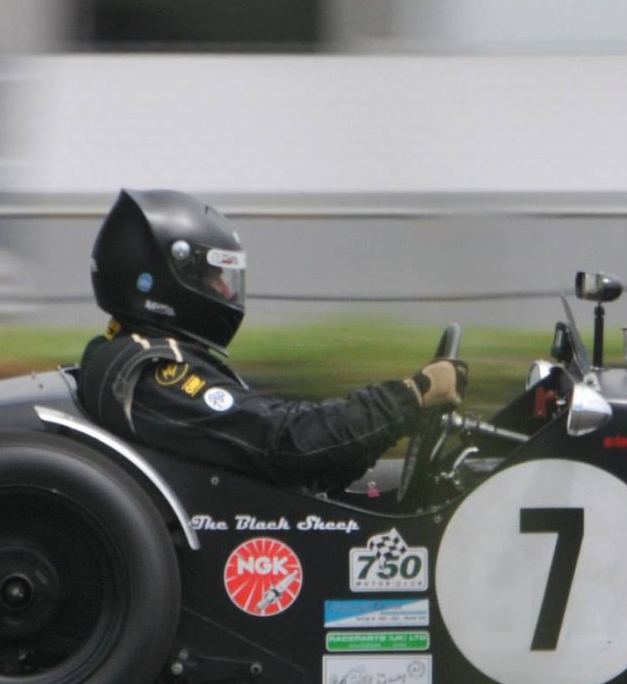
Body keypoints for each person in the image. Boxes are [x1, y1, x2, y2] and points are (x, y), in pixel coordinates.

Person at [79, 189, 467, 492]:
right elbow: (285, 443)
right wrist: (410, 395)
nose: (222, 290)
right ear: (160, 279)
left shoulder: (130, 355)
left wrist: (393, 424)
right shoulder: (154, 372)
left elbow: (299, 457)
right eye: (212, 276)